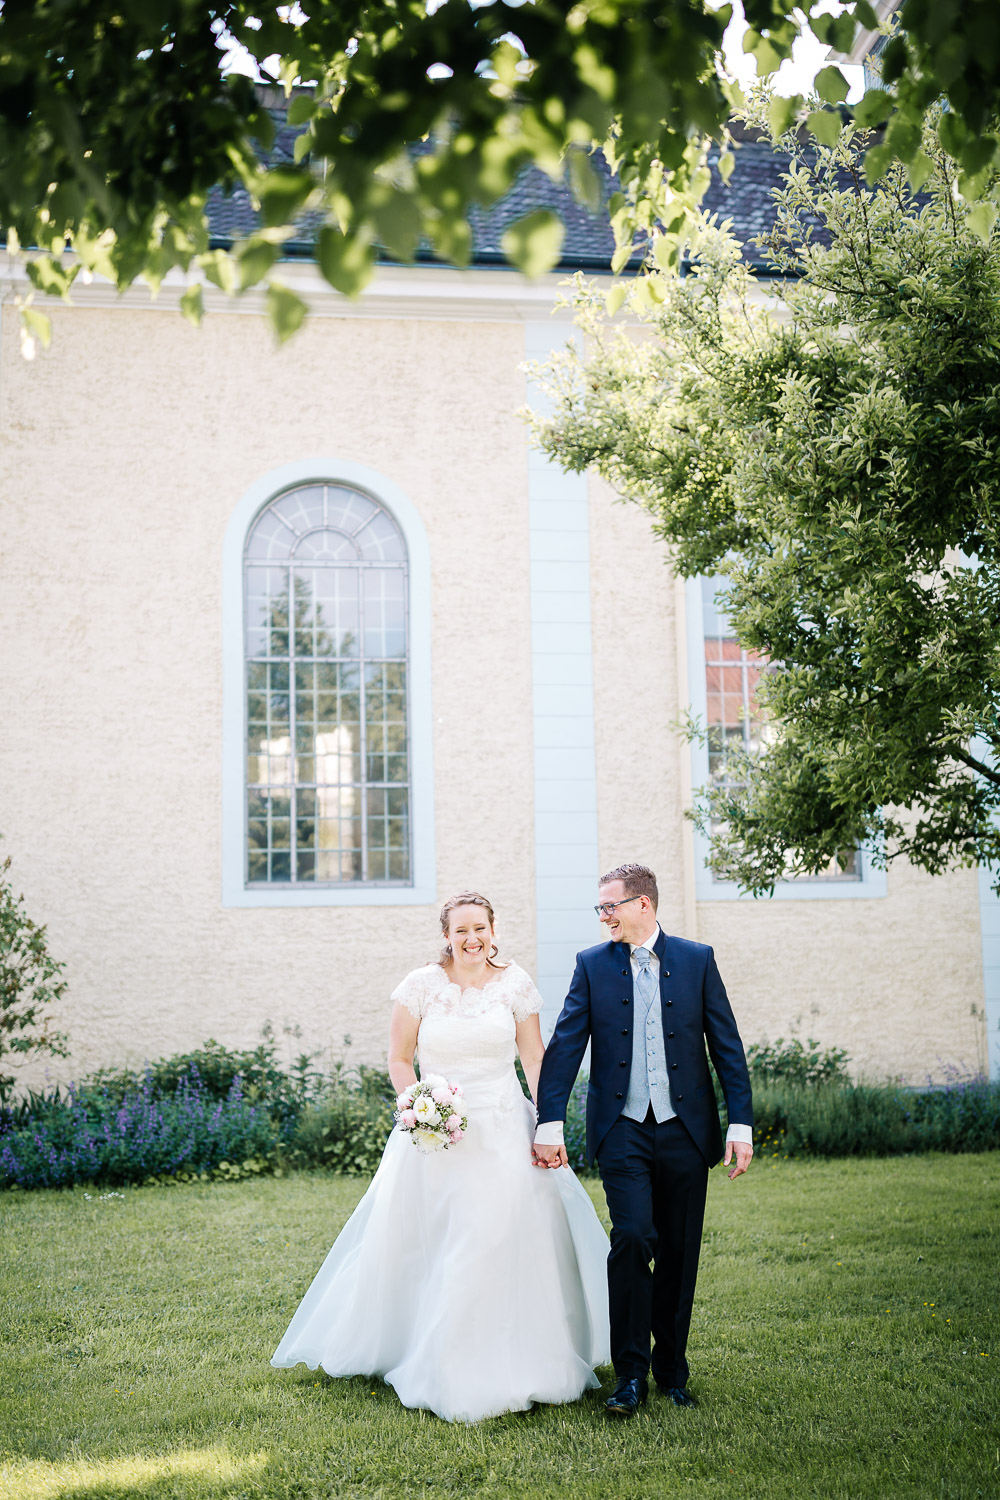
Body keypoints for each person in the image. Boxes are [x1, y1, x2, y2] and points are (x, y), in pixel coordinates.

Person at [271, 891, 611, 1423]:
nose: (472, 939)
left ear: (494, 929)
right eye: (461, 931)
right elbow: (399, 1058)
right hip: (437, 1133)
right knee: (436, 1239)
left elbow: (535, 1058)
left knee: (499, 1234)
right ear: (447, 936)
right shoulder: (420, 987)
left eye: (481, 929)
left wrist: (549, 1123)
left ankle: (517, 1353)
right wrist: (419, 1107)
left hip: (502, 1128)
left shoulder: (516, 984)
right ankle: (429, 1351)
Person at [533, 862, 753, 1418]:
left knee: (679, 1254)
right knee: (631, 1238)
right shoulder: (591, 966)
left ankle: (672, 1372)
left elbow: (727, 1045)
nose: (604, 915)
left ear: (644, 905)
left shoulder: (696, 960)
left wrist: (741, 1124)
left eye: (611, 905)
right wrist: (549, 1120)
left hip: (686, 1130)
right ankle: (629, 1375)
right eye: (601, 907)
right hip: (622, 1129)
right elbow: (564, 1048)